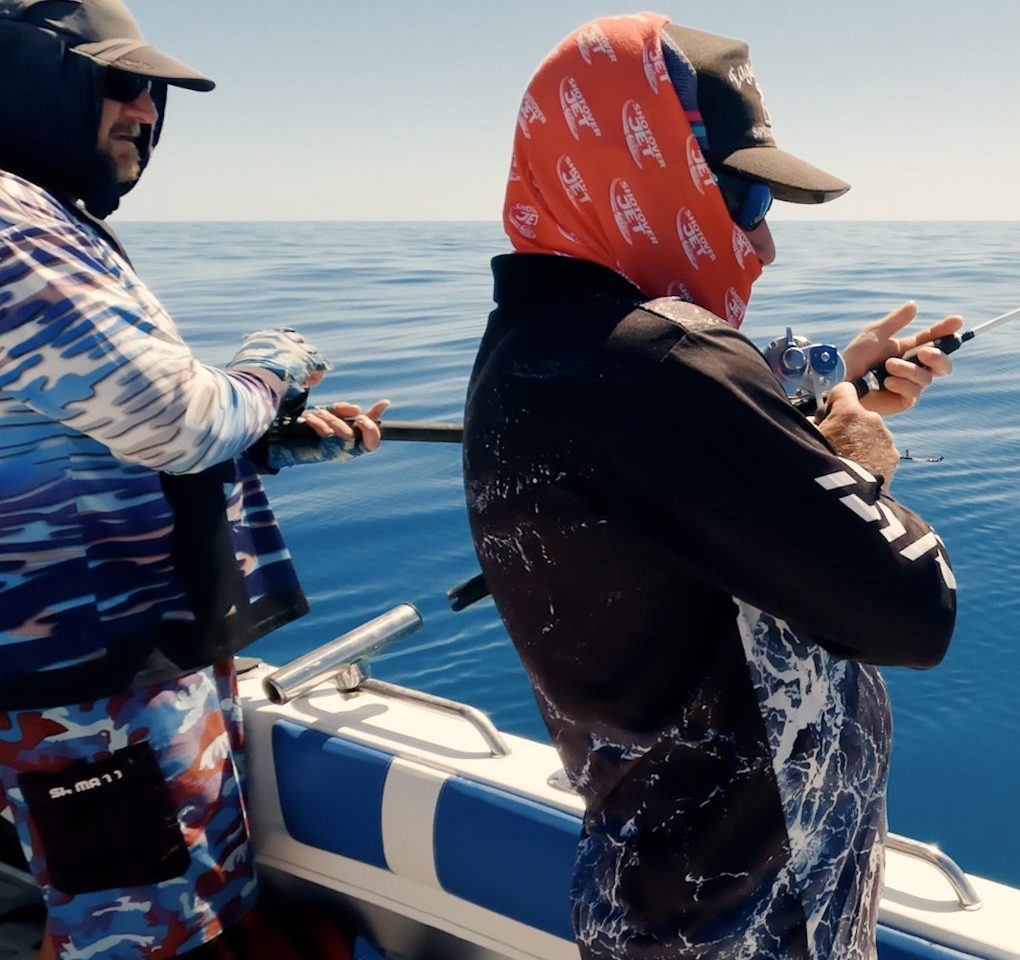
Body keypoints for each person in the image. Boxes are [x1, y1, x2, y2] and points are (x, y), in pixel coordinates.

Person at [464, 13, 959, 960]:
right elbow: (915, 612)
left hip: (646, 900)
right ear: (637, 162)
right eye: (741, 196)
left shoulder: (534, 344)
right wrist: (862, 464)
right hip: (759, 925)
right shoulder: (668, 364)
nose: (764, 246)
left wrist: (811, 393)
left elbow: (672, 467)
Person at [0, 2, 389, 957]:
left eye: (156, 92)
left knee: (178, 915)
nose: (145, 110)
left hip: (115, 673)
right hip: (86, 693)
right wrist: (274, 371)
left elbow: (85, 426)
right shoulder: (10, 223)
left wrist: (265, 444)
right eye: (116, 83)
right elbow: (178, 416)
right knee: (136, 938)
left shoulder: (46, 219)